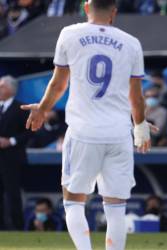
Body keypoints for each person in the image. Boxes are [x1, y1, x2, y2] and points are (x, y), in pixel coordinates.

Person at [21, 0, 158, 249]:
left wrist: (42, 109)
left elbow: (58, 84)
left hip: (84, 131)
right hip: (119, 133)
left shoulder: (70, 34)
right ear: (114, 12)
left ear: (86, 8)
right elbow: (136, 96)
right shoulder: (131, 43)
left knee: (73, 201)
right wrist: (139, 126)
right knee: (116, 207)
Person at [0, 75, 31, 230]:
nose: (0, 89)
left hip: (12, 159)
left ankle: (17, 227)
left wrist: (11, 141)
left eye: (2, 86)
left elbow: (29, 132)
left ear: (12, 90)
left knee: (13, 194)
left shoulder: (21, 109)